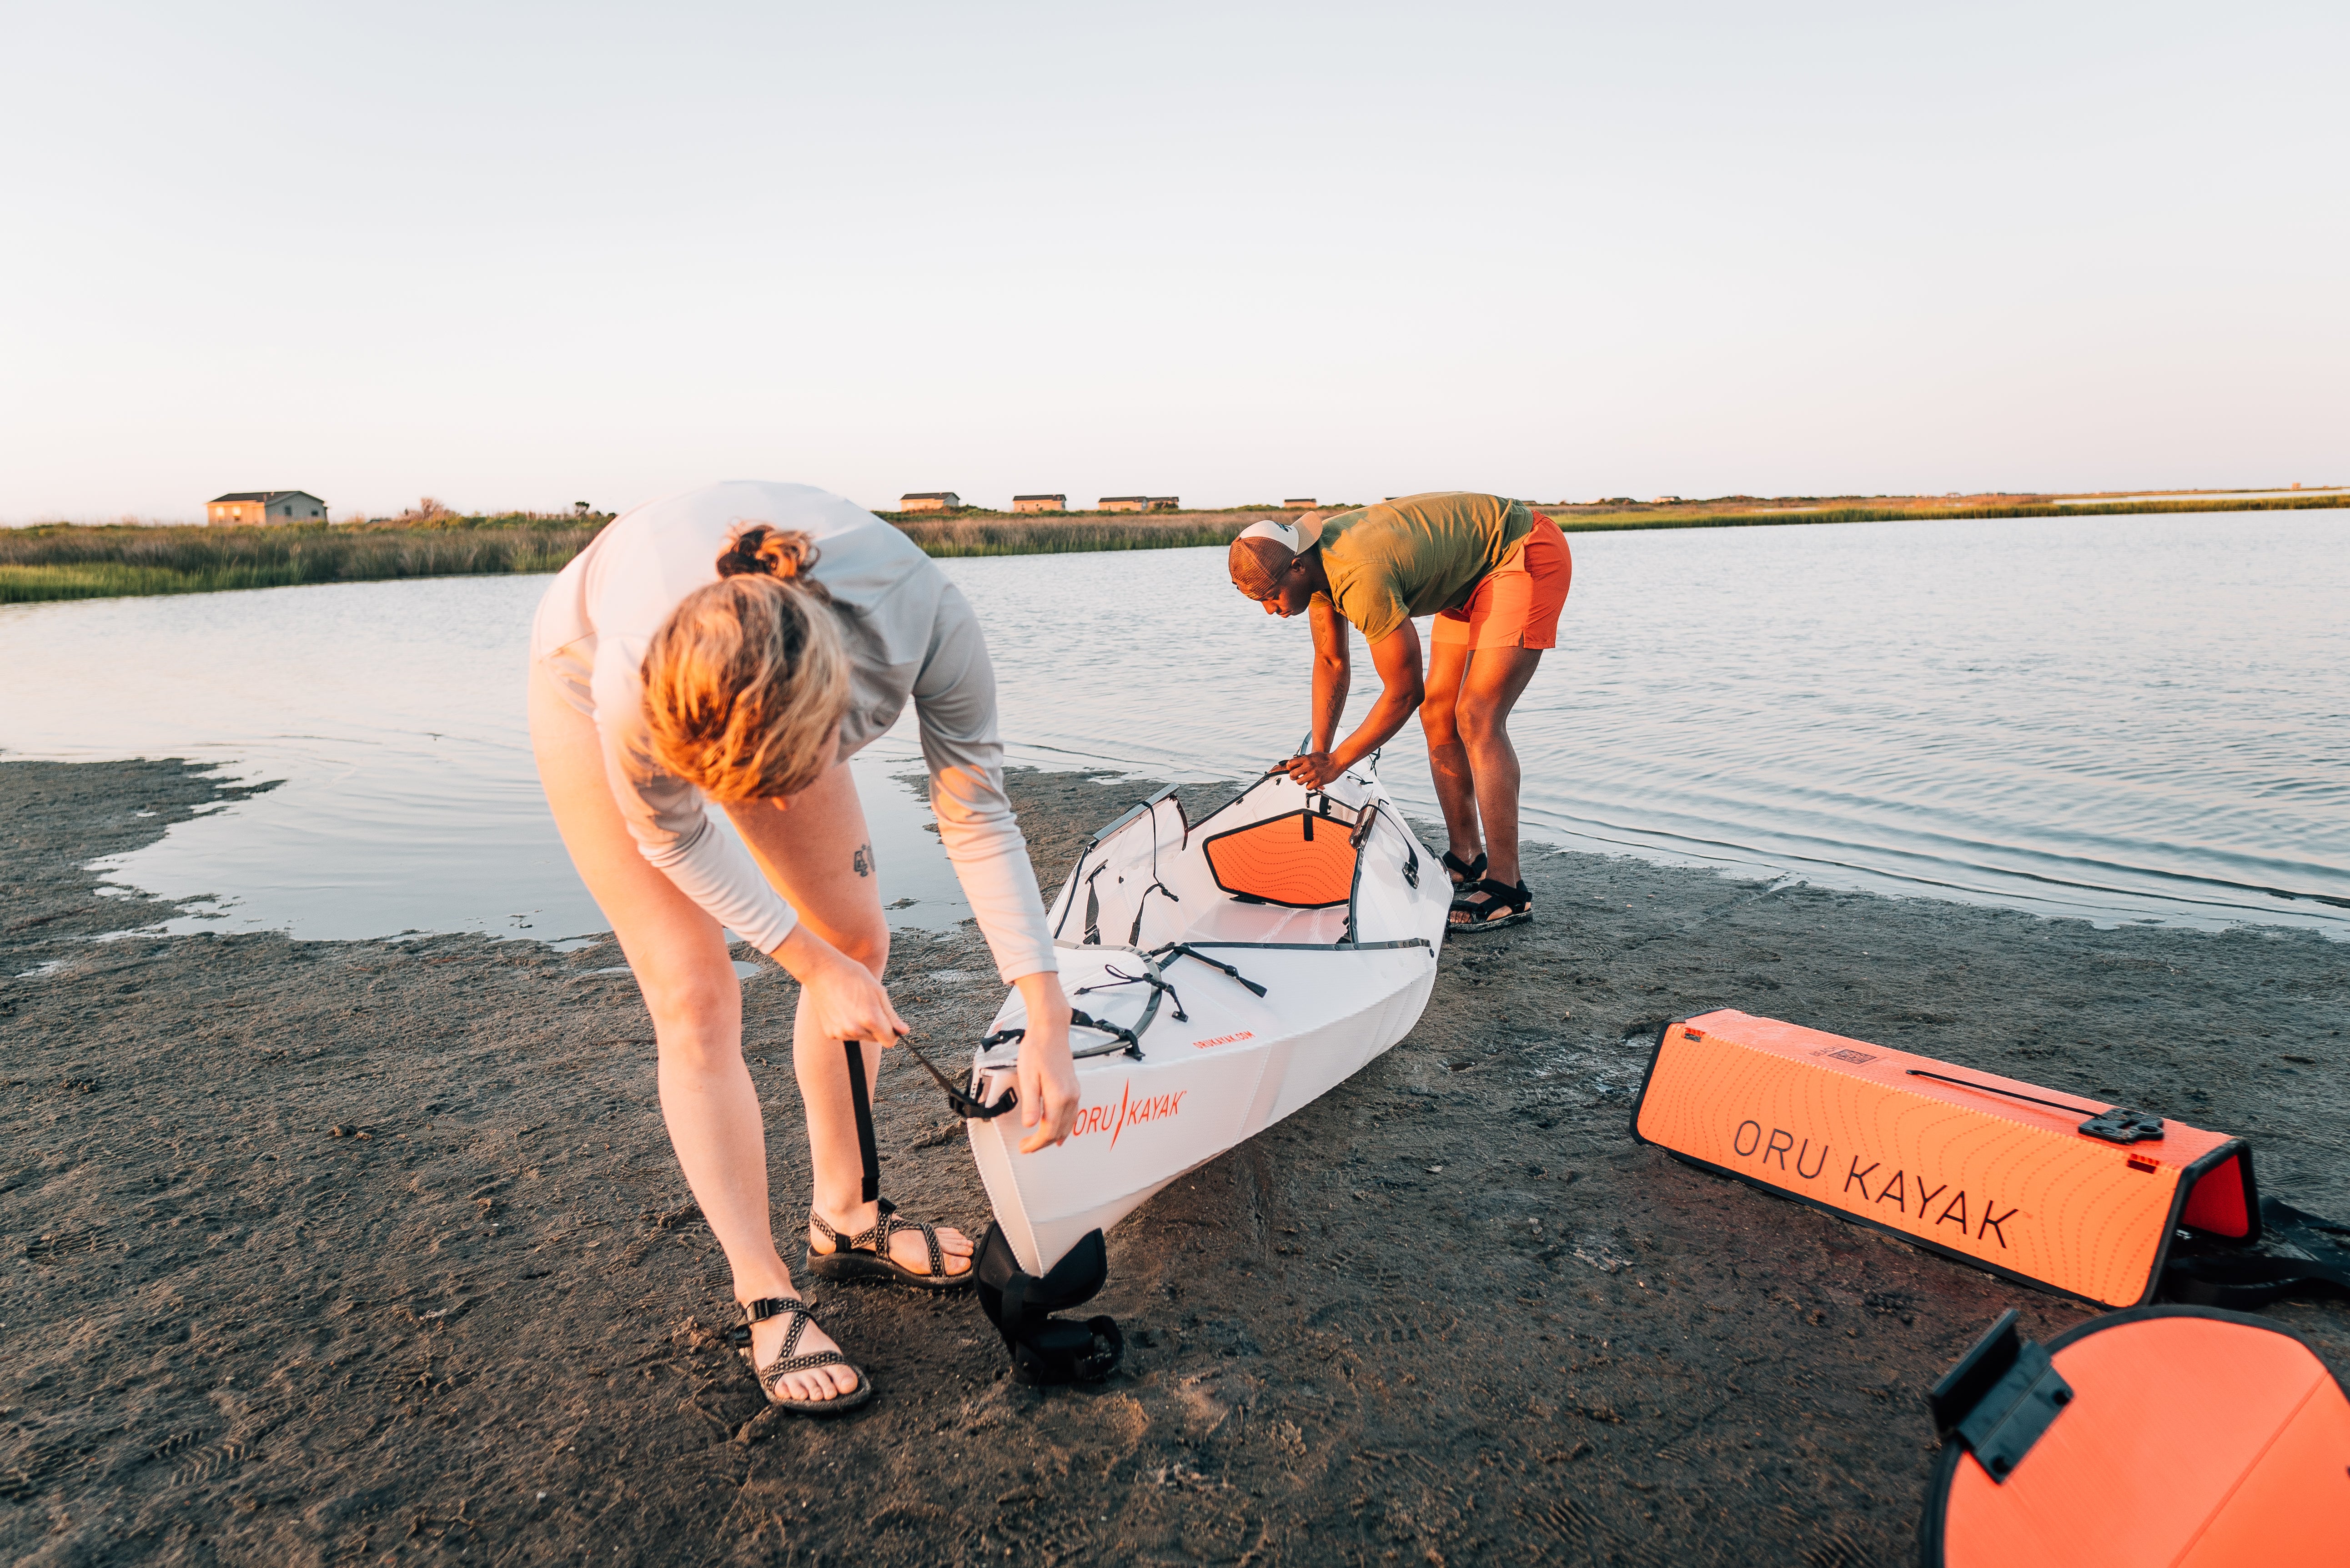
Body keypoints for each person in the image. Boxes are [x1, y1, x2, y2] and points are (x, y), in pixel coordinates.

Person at [528, 480, 1078, 1415]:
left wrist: (1046, 1012)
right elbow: (670, 834)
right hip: (585, 668)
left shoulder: (927, 618)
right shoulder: (628, 674)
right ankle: (765, 1289)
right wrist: (807, 964)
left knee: (859, 935)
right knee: (695, 992)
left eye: (785, 783)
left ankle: (849, 1217)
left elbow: (976, 812)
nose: (770, 812)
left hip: (787, 668)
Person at [1226, 492, 1571, 931]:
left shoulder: (1358, 575)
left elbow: (1405, 691)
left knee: (1477, 716)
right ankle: (1466, 858)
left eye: (1272, 596)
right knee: (1439, 714)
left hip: (1518, 551)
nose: (1270, 610)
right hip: (1467, 576)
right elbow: (1332, 663)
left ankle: (1509, 886)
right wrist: (1319, 754)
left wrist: (1338, 763)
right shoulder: (1313, 569)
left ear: (1296, 566)